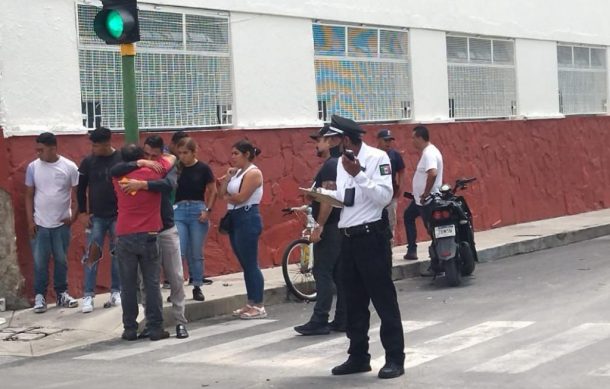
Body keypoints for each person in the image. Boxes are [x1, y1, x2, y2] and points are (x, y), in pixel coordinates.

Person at [325, 115, 405, 379]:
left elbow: (383, 198)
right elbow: (348, 199)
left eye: (334, 139)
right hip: (348, 238)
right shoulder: (340, 164)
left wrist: (357, 173)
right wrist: (324, 195)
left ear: (347, 140)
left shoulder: (377, 159)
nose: (330, 144)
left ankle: (395, 357)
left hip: (371, 238)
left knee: (383, 299)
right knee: (353, 301)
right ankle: (358, 356)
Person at [110, 135, 189, 339]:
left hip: (125, 235)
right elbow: (169, 162)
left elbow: (114, 170)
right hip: (149, 234)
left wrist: (140, 180)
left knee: (128, 285)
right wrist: (147, 167)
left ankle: (129, 328)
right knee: (152, 283)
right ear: (141, 156)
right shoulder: (154, 171)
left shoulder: (119, 178)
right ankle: (154, 327)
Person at [294, 125, 346, 336]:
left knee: (322, 272)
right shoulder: (339, 164)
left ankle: (320, 318)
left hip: (331, 227)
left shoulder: (331, 165)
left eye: (320, 140)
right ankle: (343, 318)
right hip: (339, 226)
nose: (317, 144)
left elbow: (328, 199)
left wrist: (319, 226)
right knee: (339, 274)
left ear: (332, 141)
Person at [25, 132, 79, 313]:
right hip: (40, 224)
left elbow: (78, 194)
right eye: (36, 149)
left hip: (61, 225)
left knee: (61, 260)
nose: (38, 153)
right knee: (40, 262)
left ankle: (61, 293)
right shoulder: (33, 167)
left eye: (41, 149)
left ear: (53, 148)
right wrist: (30, 221)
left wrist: (74, 216)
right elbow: (28, 195)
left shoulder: (69, 167)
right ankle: (40, 296)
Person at [218, 140, 266, 319]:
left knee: (251, 263)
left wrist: (228, 197)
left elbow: (241, 198)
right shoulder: (237, 173)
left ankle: (259, 304)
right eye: (232, 154)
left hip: (247, 216)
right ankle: (251, 301)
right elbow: (222, 192)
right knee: (245, 263)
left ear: (246, 154)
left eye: (236, 153)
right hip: (235, 217)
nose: (233, 157)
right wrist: (228, 180)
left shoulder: (253, 173)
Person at [77, 127, 122, 313]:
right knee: (92, 255)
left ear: (107, 143)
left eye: (96, 145)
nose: (93, 148)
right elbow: (81, 189)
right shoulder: (88, 162)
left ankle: (116, 291)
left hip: (118, 216)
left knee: (118, 254)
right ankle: (88, 295)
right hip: (96, 216)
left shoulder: (121, 159)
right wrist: (82, 213)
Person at [174, 137, 218, 300]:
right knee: (179, 250)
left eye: (185, 153)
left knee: (196, 252)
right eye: (180, 153)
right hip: (178, 210)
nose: (182, 156)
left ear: (193, 152)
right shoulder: (176, 168)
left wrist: (208, 210)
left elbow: (212, 190)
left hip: (197, 209)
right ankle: (176, 289)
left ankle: (197, 285)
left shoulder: (203, 168)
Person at [403, 125, 443, 261]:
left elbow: (432, 173)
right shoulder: (430, 151)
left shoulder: (429, 153)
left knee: (432, 229)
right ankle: (412, 250)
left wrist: (426, 193)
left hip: (427, 200)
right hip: (420, 200)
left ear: (420, 138)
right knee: (408, 216)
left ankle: (437, 260)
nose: (412, 141)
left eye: (413, 138)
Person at [376, 129, 405, 244]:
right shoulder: (373, 154)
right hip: (376, 194)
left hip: (391, 194)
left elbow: (401, 171)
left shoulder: (394, 155)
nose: (388, 143)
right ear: (379, 140)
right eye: (385, 140)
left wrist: (401, 186)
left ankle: (390, 245)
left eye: (390, 141)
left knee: (390, 221)